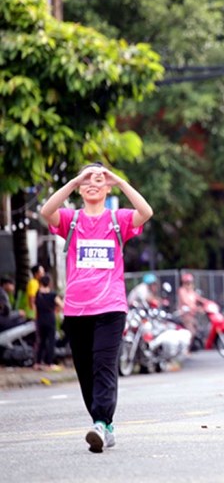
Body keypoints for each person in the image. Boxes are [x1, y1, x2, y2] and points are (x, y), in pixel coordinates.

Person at [40, 161, 152, 453]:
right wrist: (74, 181)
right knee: (85, 370)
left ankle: (101, 423)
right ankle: (104, 424)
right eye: (87, 179)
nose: (93, 183)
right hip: (76, 309)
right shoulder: (71, 219)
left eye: (99, 179)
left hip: (111, 307)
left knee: (104, 366)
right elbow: (45, 212)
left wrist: (119, 180)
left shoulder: (119, 219)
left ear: (107, 187)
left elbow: (146, 212)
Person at [33, 275, 64, 371]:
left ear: (41, 283)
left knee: (41, 341)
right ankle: (49, 363)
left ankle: (37, 363)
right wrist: (56, 310)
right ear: (49, 283)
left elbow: (35, 306)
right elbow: (62, 305)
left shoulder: (38, 294)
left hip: (40, 320)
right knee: (51, 341)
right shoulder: (53, 295)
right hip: (50, 319)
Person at [176, 272, 207, 340]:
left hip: (192, 315)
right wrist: (197, 308)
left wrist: (207, 302)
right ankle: (186, 349)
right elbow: (186, 302)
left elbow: (198, 298)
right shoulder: (182, 291)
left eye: (190, 282)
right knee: (192, 332)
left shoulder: (191, 291)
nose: (189, 284)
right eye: (187, 282)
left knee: (199, 329)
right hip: (185, 316)